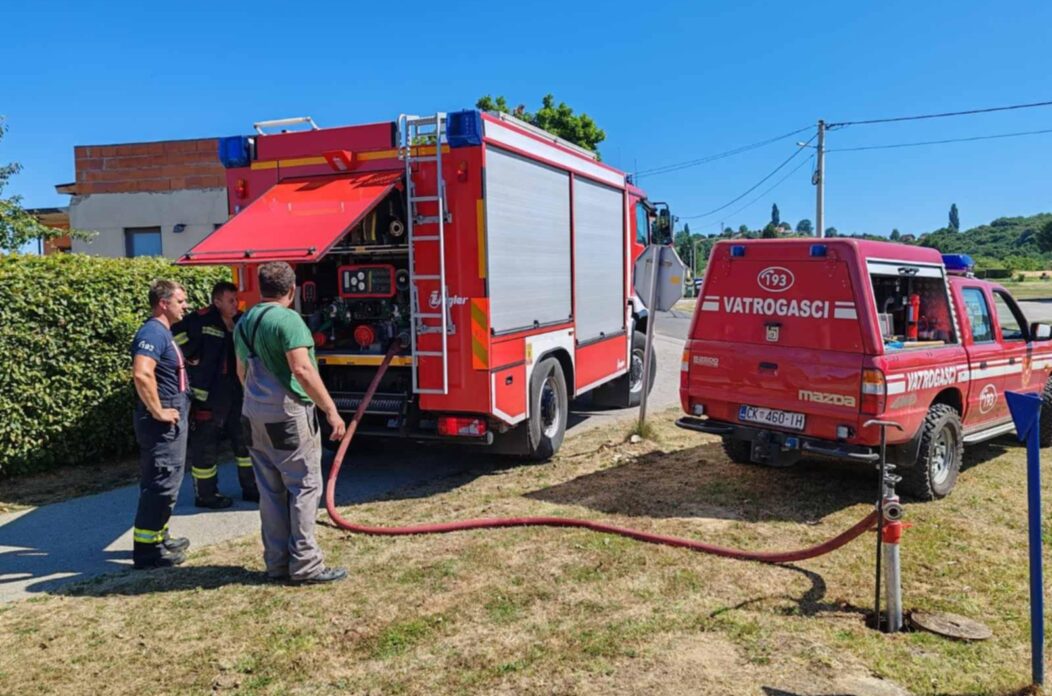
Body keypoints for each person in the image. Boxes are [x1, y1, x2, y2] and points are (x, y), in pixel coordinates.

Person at [234, 262, 348, 584]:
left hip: (252, 414)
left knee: (270, 491)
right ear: (293, 289)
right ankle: (307, 565)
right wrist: (330, 410)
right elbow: (302, 370)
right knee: (304, 486)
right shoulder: (289, 320)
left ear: (260, 288)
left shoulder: (245, 321)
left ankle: (277, 563)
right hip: (285, 414)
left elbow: (241, 370)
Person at [173, 281, 260, 507]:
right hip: (209, 396)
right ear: (217, 301)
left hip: (237, 393)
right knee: (205, 448)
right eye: (230, 300)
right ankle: (206, 495)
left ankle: (251, 489)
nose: (236, 304)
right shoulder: (200, 319)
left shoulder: (242, 320)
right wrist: (190, 355)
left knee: (245, 445)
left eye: (236, 299)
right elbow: (175, 334)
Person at [130, 279, 192, 570]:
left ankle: (159, 537)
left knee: (166, 481)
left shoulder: (165, 332)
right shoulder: (153, 332)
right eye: (181, 301)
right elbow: (142, 374)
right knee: (161, 484)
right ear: (163, 303)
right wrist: (159, 412)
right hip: (162, 423)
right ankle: (147, 553)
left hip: (172, 417)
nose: (186, 306)